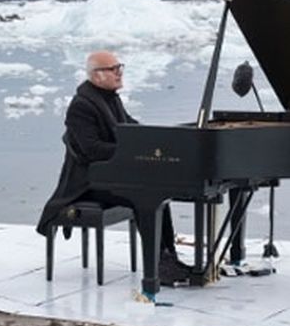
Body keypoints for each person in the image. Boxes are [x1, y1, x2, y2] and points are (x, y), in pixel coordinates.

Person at [37, 50, 191, 285]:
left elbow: (129, 128)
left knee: (160, 192)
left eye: (120, 67)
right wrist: (132, 151)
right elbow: (92, 150)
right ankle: (160, 263)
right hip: (87, 184)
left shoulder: (110, 98)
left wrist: (156, 139)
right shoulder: (81, 106)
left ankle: (167, 257)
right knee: (145, 196)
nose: (119, 73)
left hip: (108, 177)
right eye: (113, 69)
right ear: (96, 75)